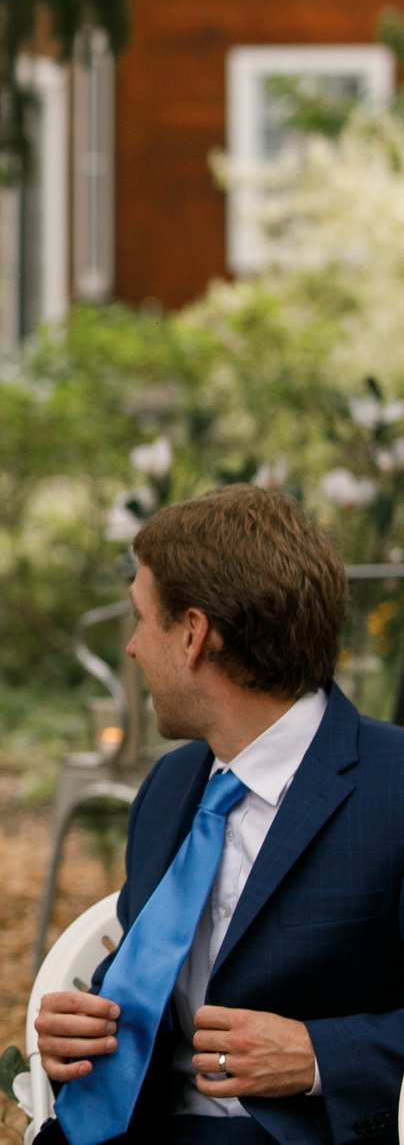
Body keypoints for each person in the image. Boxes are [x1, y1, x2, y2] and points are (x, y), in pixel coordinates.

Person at [34, 483, 404, 1145]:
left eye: (142, 620)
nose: (133, 648)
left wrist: (320, 1055)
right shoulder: (170, 786)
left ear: (193, 636)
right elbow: (142, 983)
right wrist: (83, 1029)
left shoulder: (395, 787)